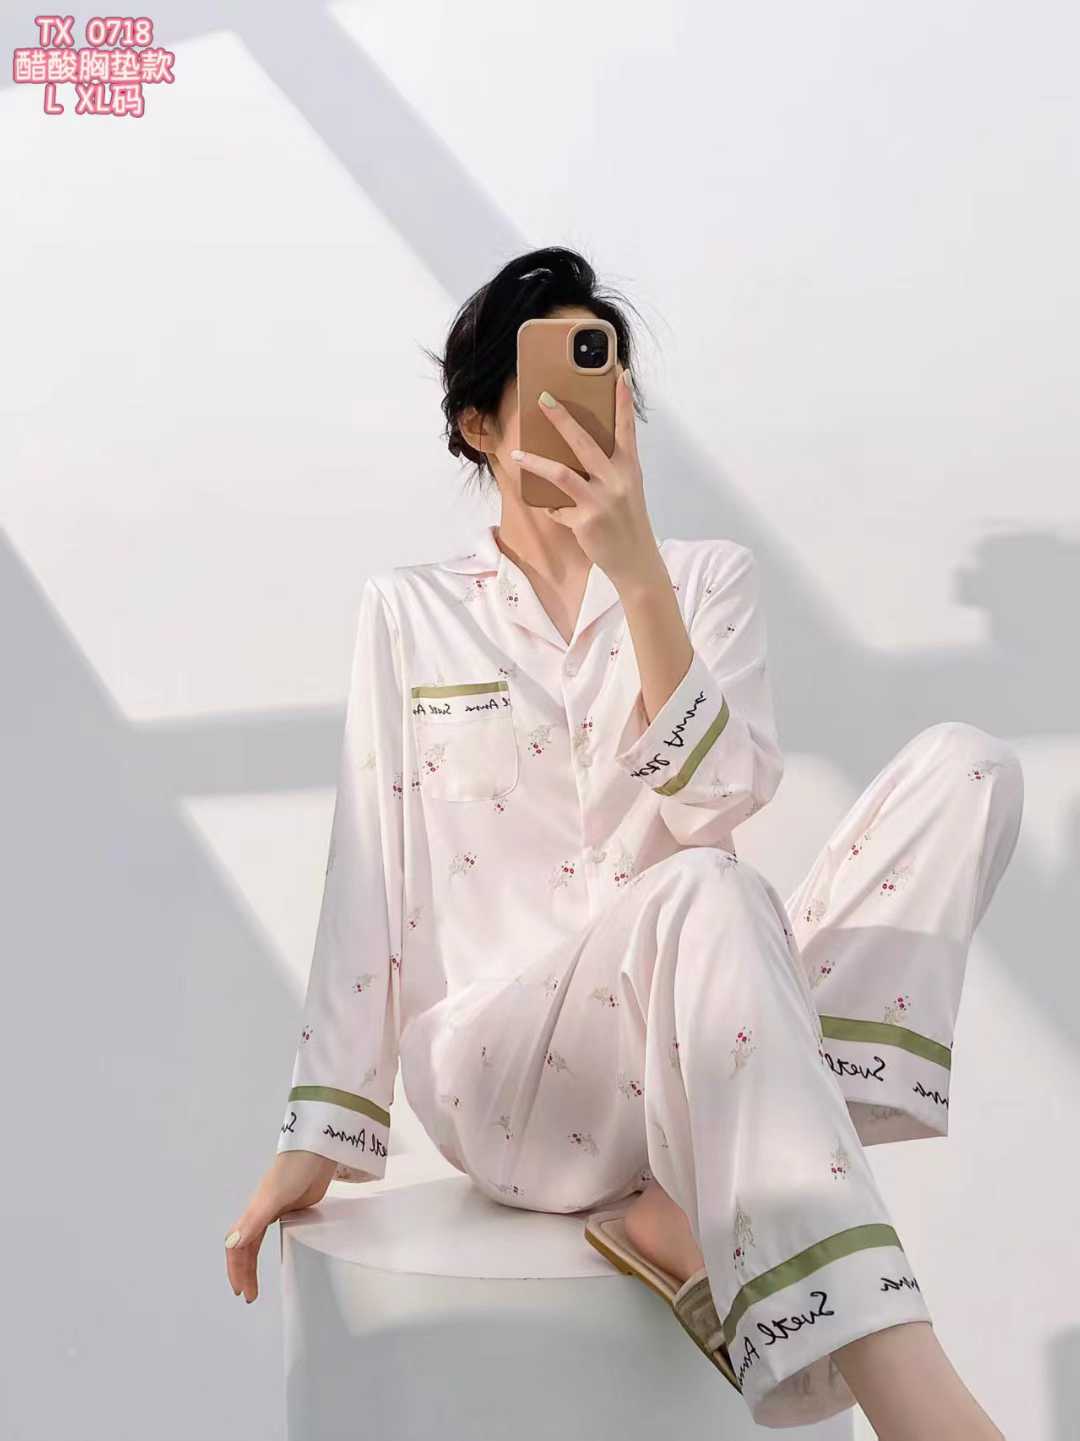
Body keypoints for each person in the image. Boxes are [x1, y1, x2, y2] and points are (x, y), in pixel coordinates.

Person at [225, 248, 1022, 1436]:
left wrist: (639, 574)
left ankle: (675, 1206)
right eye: (549, 388)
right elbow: (367, 873)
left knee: (969, 763)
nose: (585, 415)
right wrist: (317, 1134)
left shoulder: (705, 578)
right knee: (706, 889)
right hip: (508, 1074)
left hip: (690, 1031)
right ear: (479, 425)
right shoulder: (409, 611)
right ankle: (923, 1408)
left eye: (603, 384)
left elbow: (719, 799)